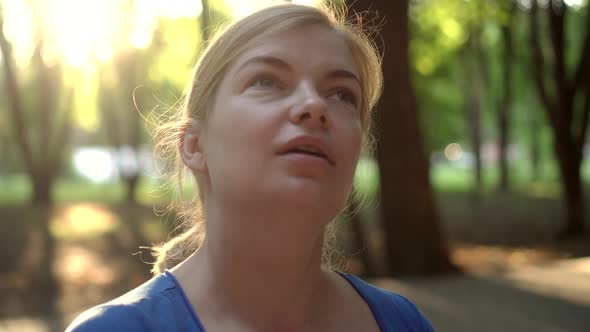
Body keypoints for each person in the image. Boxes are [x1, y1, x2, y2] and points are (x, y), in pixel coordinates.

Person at [67, 3, 434, 332]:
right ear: (194, 146)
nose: (314, 105)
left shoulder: (404, 322)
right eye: (267, 80)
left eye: (341, 94)